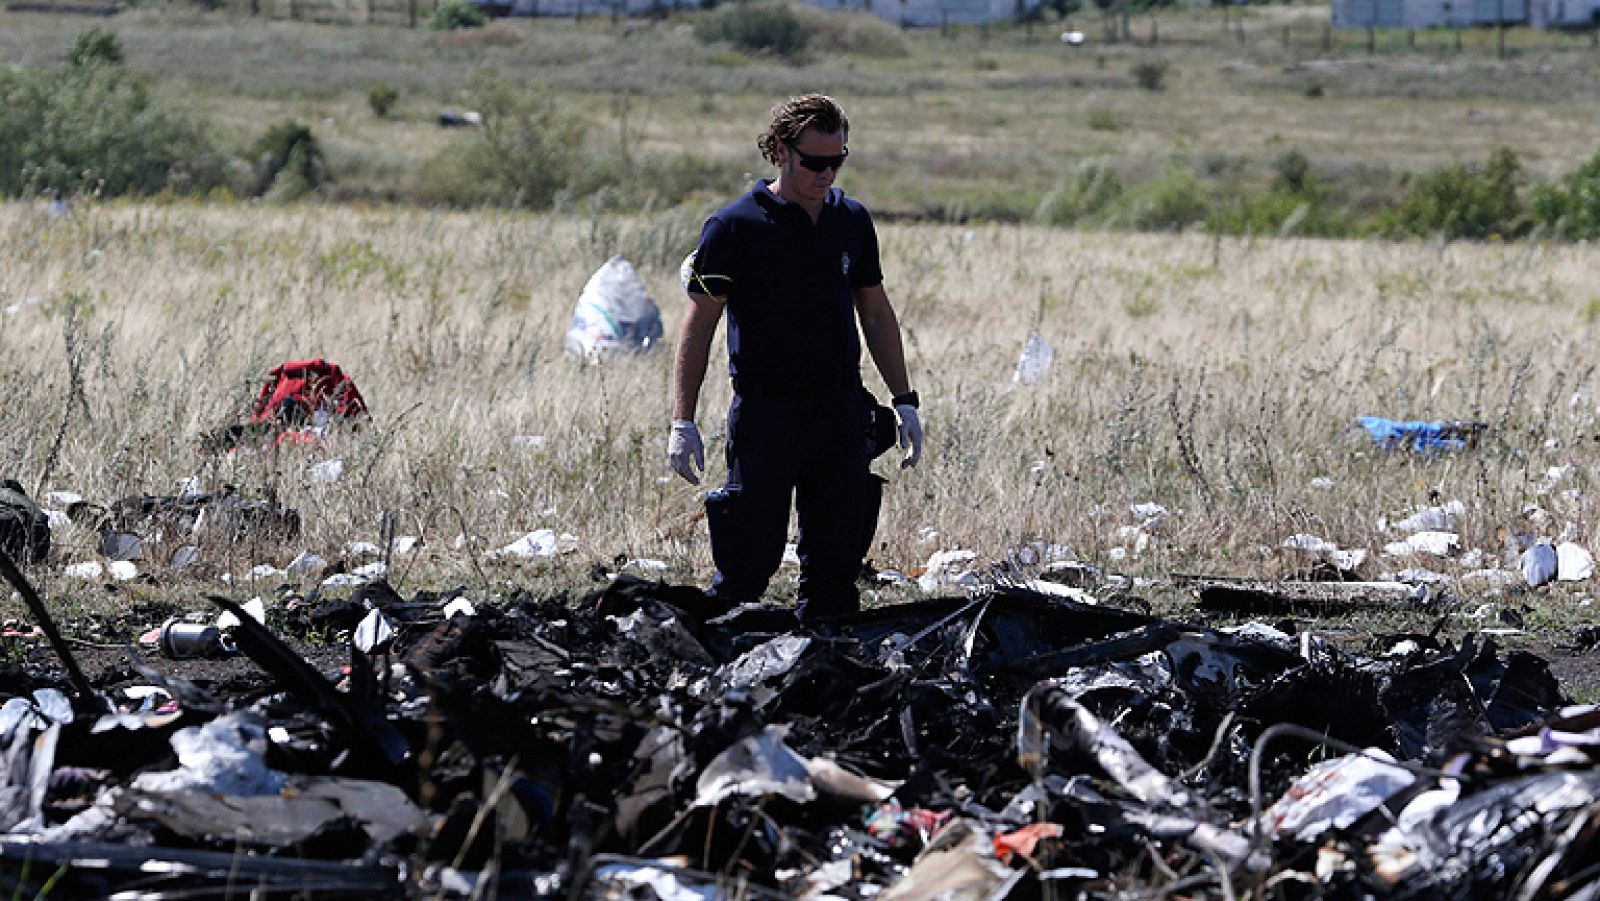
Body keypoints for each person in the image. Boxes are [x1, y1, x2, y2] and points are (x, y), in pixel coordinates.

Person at [667, 93, 923, 623]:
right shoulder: (733, 228)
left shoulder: (851, 221)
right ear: (781, 152)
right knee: (746, 565)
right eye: (814, 162)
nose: (826, 174)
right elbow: (699, 324)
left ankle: (825, 658)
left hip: (840, 412)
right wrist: (682, 421)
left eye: (837, 161)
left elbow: (876, 313)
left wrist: (905, 401)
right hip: (767, 415)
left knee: (835, 571)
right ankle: (720, 658)